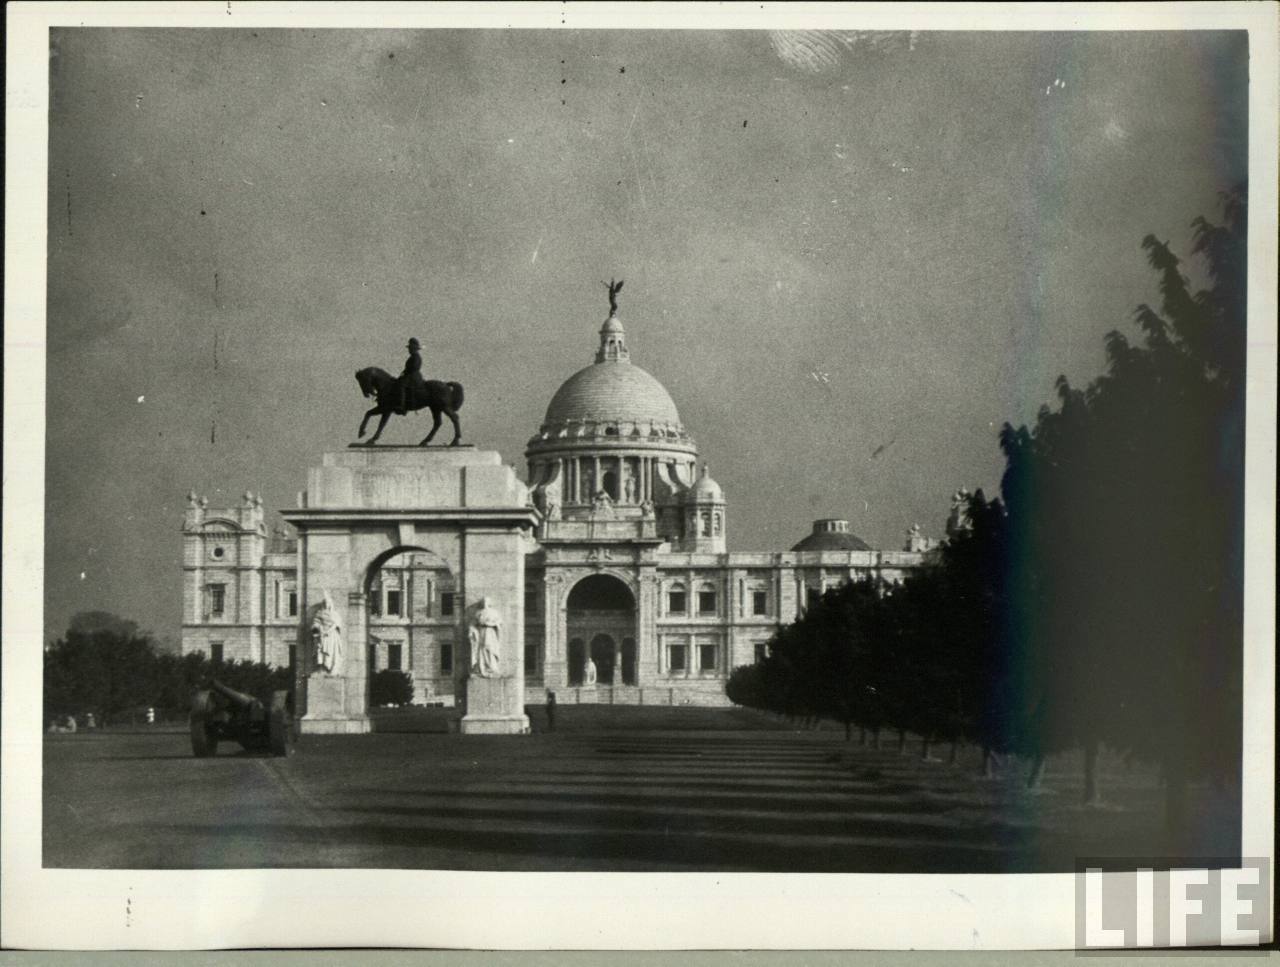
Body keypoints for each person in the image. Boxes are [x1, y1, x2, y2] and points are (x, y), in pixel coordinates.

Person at [395, 337, 425, 415]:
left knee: (401, 385)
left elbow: (413, 367)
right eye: (409, 348)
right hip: (411, 374)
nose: (409, 350)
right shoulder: (413, 356)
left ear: (414, 349)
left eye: (410, 348)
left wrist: (406, 372)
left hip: (413, 376)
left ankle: (401, 406)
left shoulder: (416, 357)